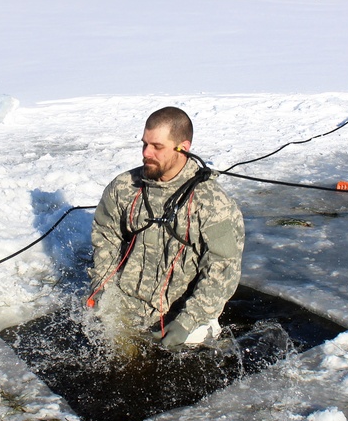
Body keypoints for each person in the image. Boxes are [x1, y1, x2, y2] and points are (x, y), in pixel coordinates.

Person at [88, 107, 245, 348]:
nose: (146, 153)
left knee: (192, 350)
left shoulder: (212, 203)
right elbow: (106, 235)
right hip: (129, 301)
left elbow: (224, 268)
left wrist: (187, 321)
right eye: (144, 144)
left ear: (183, 147)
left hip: (181, 314)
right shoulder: (124, 187)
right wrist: (102, 287)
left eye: (157, 147)